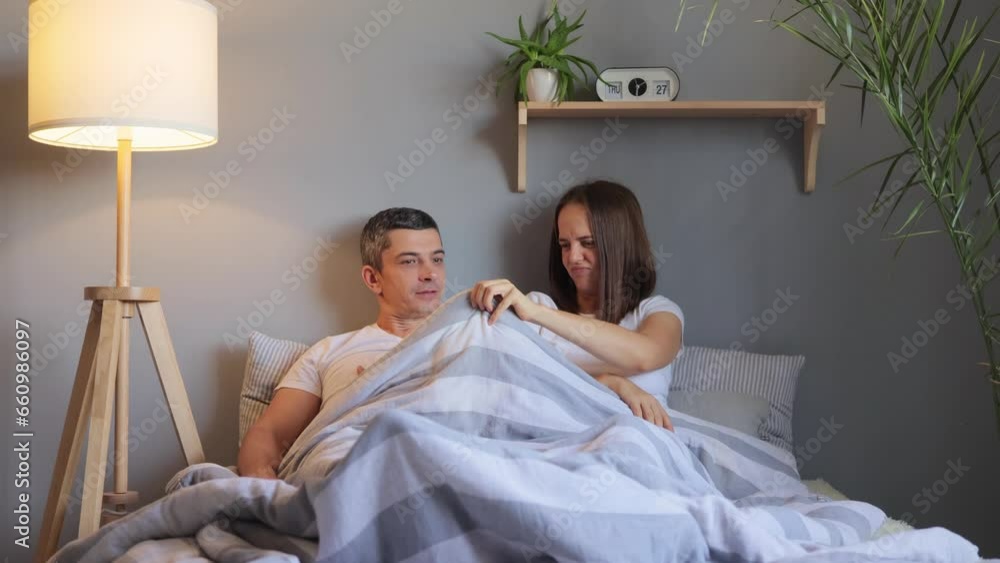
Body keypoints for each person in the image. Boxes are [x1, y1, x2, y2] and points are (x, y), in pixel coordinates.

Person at [238, 208, 446, 478]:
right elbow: (270, 434)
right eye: (409, 261)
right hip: (356, 471)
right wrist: (264, 490)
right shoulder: (329, 352)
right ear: (373, 279)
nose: (431, 274)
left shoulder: (475, 336)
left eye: (437, 260)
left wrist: (508, 302)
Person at [470, 181, 683, 430]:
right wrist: (611, 383)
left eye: (588, 242)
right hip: (557, 439)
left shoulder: (657, 312)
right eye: (564, 245)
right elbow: (515, 387)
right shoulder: (539, 307)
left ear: (620, 244)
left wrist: (537, 313)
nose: (572, 257)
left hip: (640, 441)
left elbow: (645, 356)